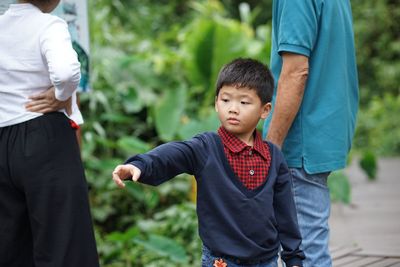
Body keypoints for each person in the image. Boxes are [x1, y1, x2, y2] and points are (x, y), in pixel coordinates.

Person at [112, 58, 305, 267]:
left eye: (244, 102)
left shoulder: (274, 158)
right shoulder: (206, 148)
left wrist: (293, 258)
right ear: (216, 103)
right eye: (226, 100)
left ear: (265, 110)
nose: (233, 109)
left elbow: (285, 212)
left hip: (265, 261)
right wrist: (139, 165)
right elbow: (174, 153)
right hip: (221, 261)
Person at [0, 1, 99, 266]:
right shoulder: (49, 25)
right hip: (43, 135)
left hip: (3, 140)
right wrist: (60, 96)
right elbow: (66, 73)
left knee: (10, 243)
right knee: (63, 241)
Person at [262, 0, 359, 266]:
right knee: (308, 242)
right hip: (325, 128)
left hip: (300, 138)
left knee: (304, 253)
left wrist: (272, 147)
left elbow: (296, 71)